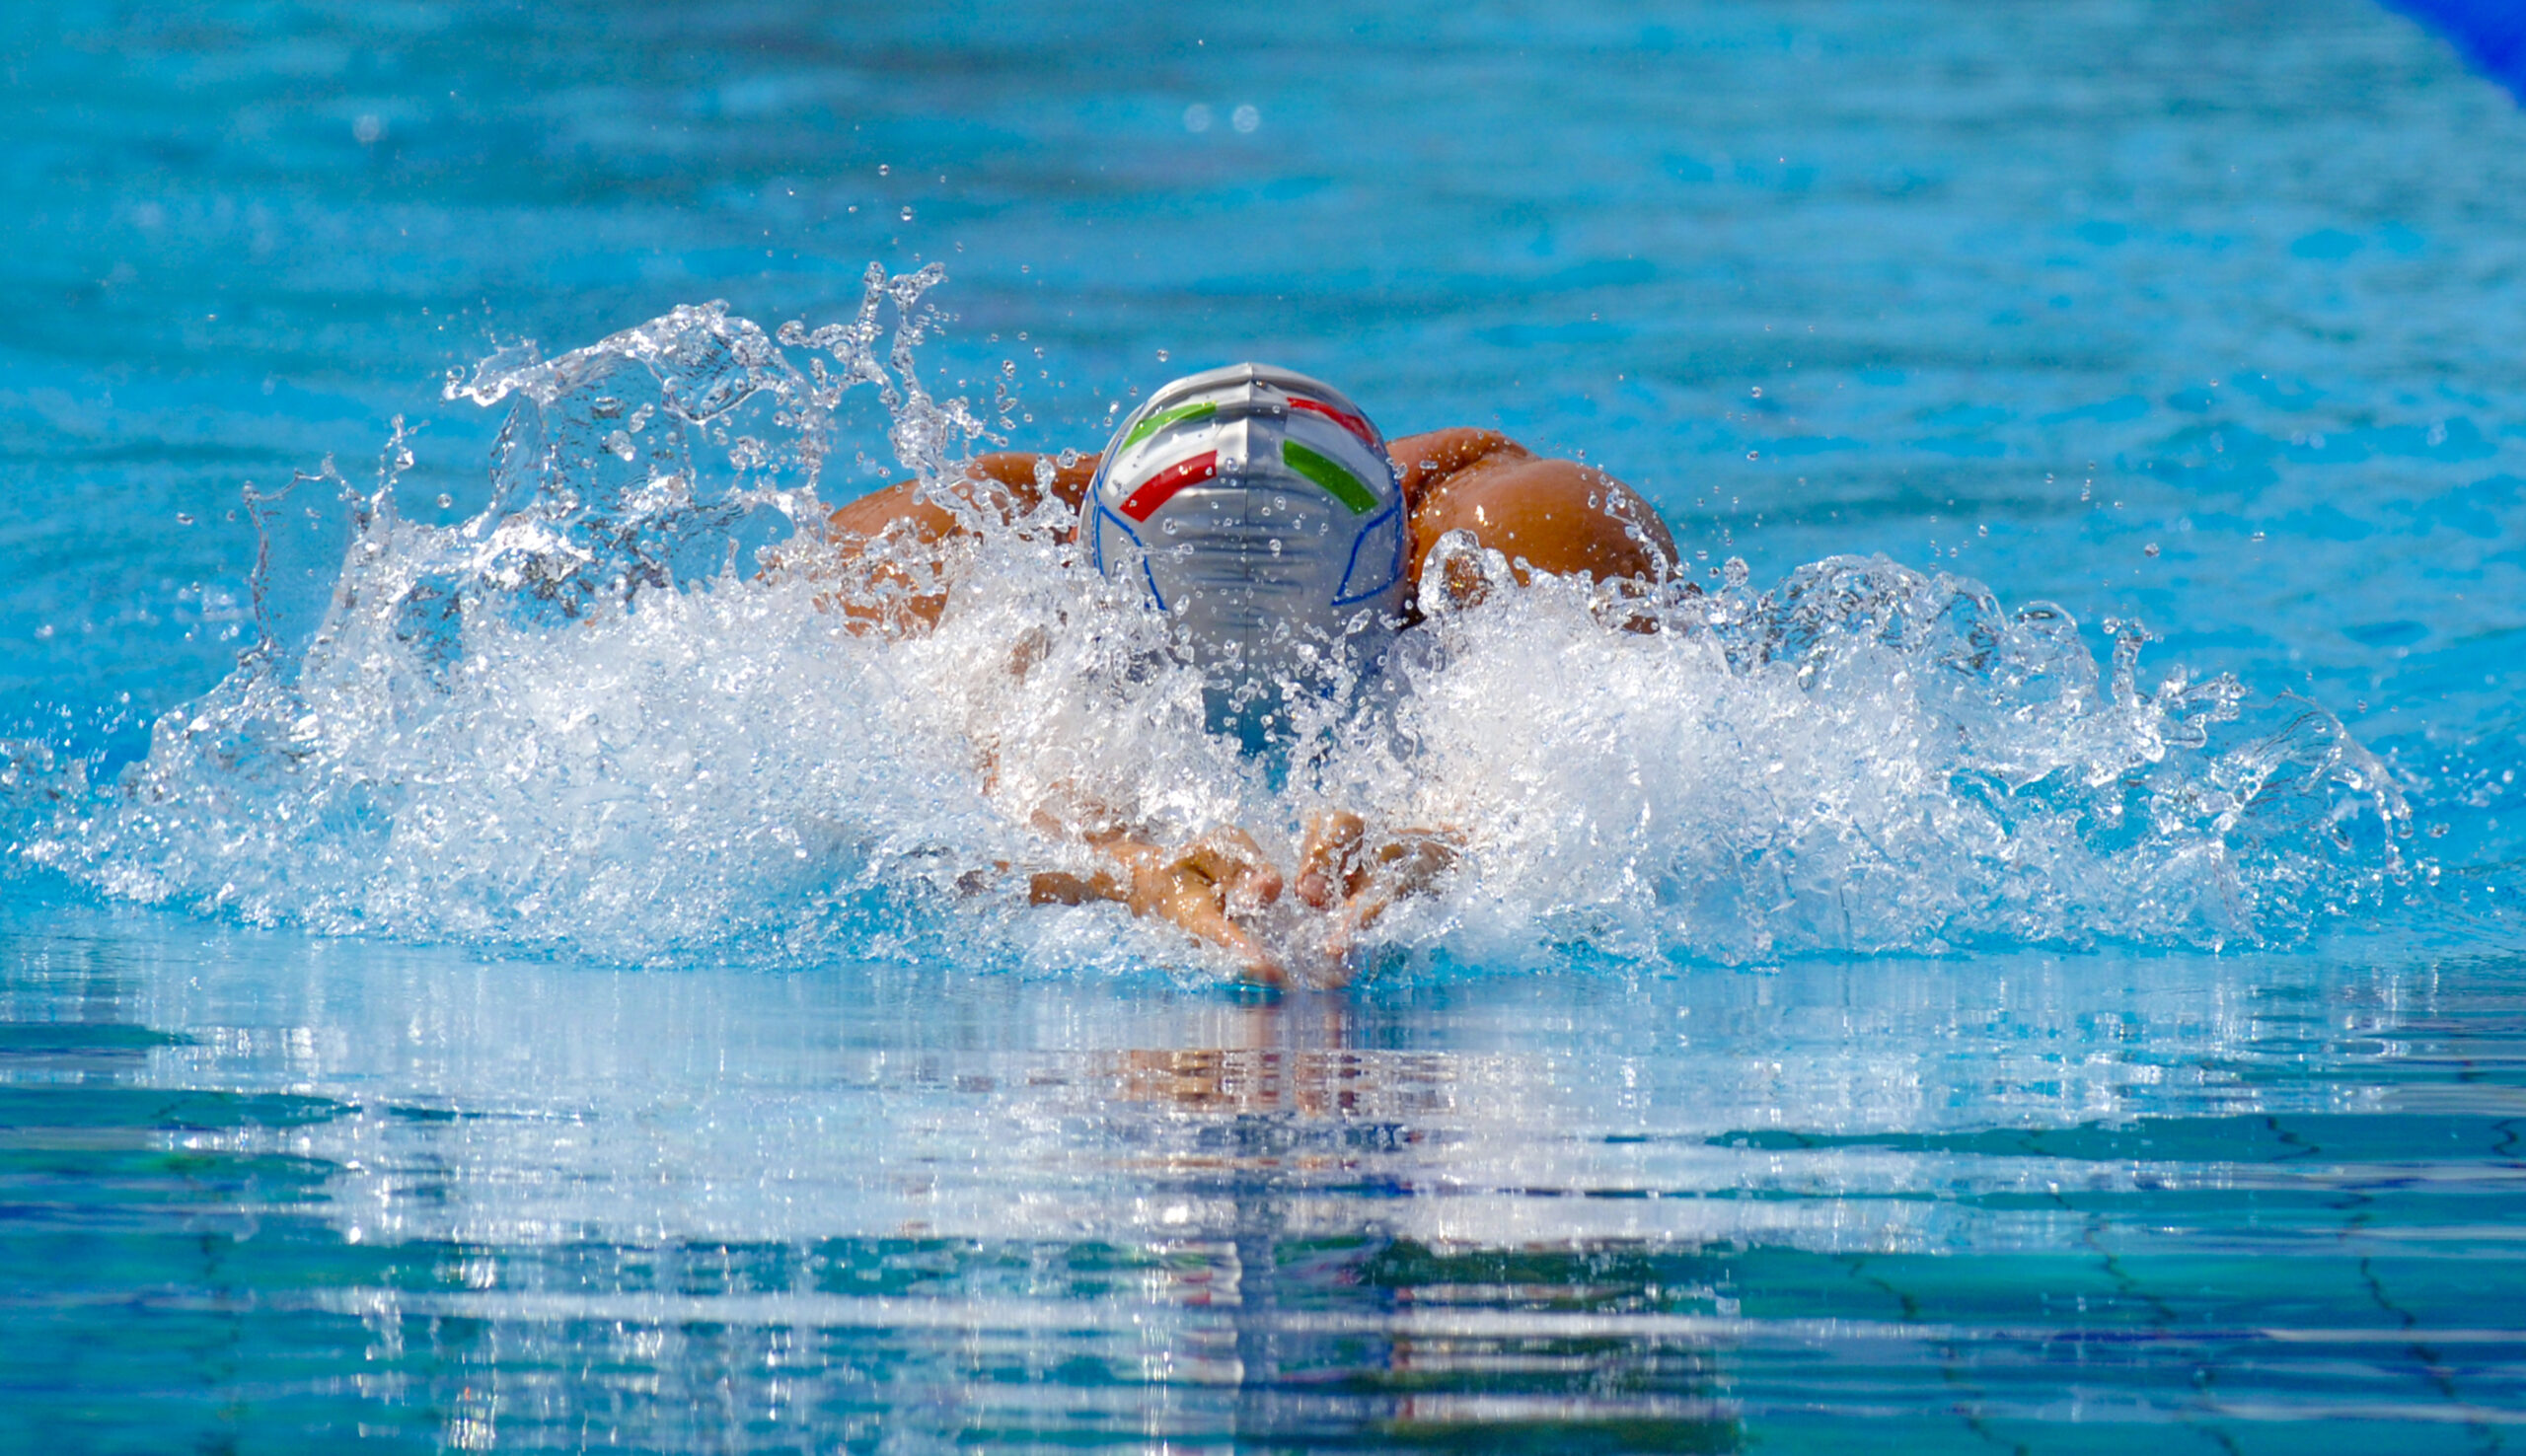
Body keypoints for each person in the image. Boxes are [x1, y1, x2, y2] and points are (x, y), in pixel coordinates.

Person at [815, 364, 1680, 984]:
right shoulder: (933, 550)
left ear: (1401, 577)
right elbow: (863, 785)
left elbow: (1644, 759)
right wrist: (1118, 865)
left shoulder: (1535, 534)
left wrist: (1453, 839)